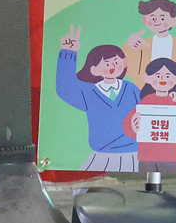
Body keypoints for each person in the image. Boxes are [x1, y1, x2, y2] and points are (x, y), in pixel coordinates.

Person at [54, 30, 140, 173]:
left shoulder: (131, 88)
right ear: (94, 69)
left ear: (124, 63)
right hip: (102, 153)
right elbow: (65, 88)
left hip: (132, 151)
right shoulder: (90, 92)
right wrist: (69, 52)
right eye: (106, 64)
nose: (112, 67)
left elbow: (148, 106)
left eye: (116, 62)